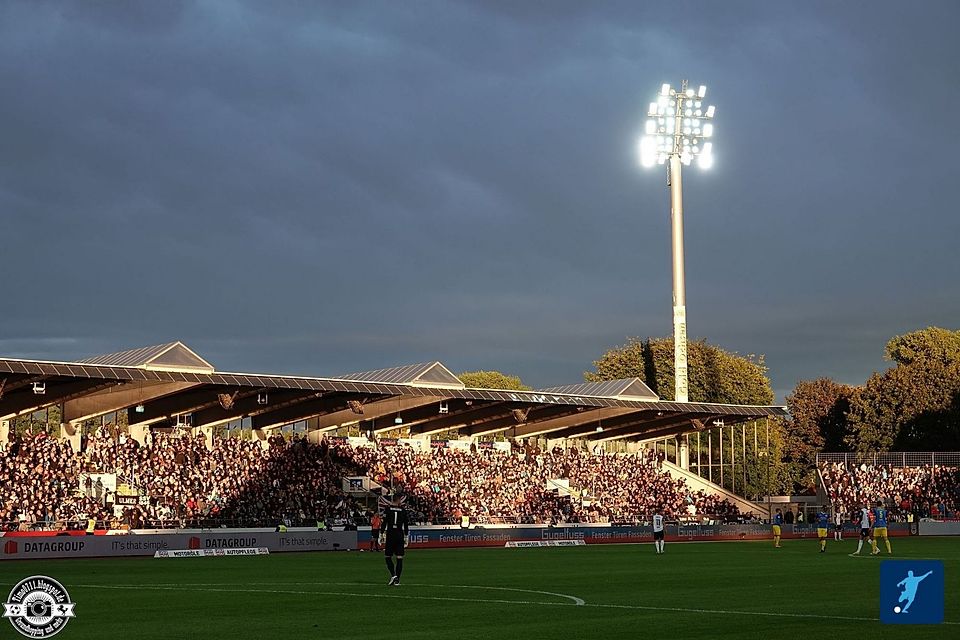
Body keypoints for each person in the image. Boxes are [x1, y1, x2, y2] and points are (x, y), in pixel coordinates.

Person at [379, 494, 409, 586]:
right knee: (399, 557)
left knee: (388, 556)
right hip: (399, 534)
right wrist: (406, 536)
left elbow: (384, 523)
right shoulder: (403, 510)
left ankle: (393, 575)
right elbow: (406, 524)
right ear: (399, 500)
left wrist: (381, 533)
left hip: (391, 534)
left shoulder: (388, 510)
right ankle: (397, 580)